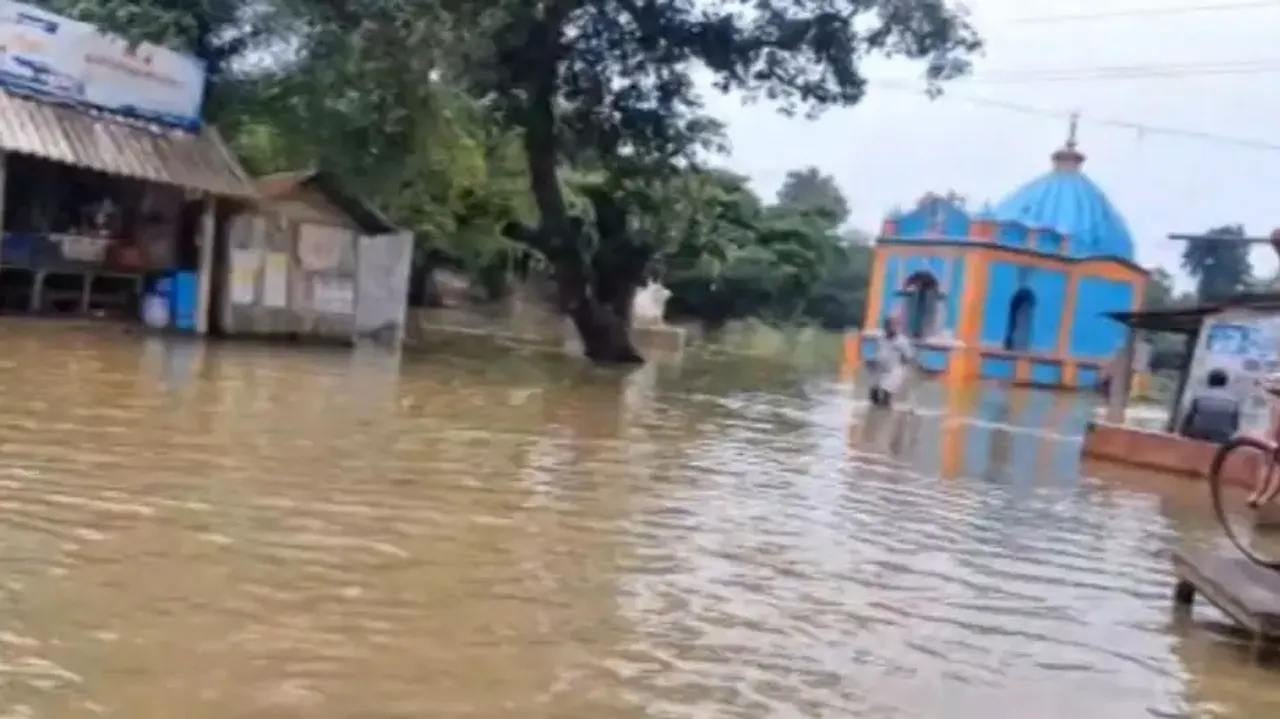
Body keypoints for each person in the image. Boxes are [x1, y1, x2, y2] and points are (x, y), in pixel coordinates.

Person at [1178, 368, 1240, 444]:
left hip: (1199, 434)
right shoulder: (1233, 401)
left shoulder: (1199, 396)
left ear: (1209, 381)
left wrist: (1182, 433)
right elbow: (1235, 424)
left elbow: (1189, 418)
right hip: (1222, 437)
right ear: (1225, 383)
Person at [869, 316, 914, 409]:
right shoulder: (880, 337)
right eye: (888, 325)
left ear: (897, 327)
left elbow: (909, 356)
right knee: (873, 394)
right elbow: (876, 351)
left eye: (893, 325)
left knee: (886, 392)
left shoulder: (902, 341)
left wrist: (906, 368)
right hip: (880, 369)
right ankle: (875, 413)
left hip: (893, 370)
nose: (890, 328)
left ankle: (885, 414)